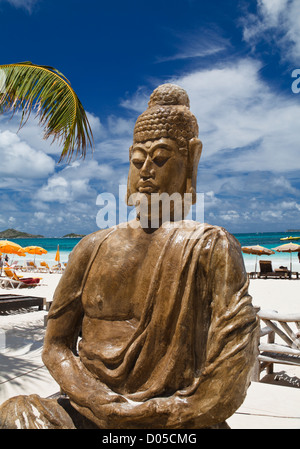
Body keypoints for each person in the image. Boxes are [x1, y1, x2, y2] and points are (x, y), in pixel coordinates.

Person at [0, 84, 258, 429]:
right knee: (19, 413)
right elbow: (56, 346)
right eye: (138, 160)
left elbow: (234, 360)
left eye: (162, 158)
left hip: (173, 418)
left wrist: (165, 412)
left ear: (191, 161)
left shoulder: (210, 246)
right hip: (90, 407)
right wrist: (99, 401)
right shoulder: (92, 247)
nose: (147, 170)